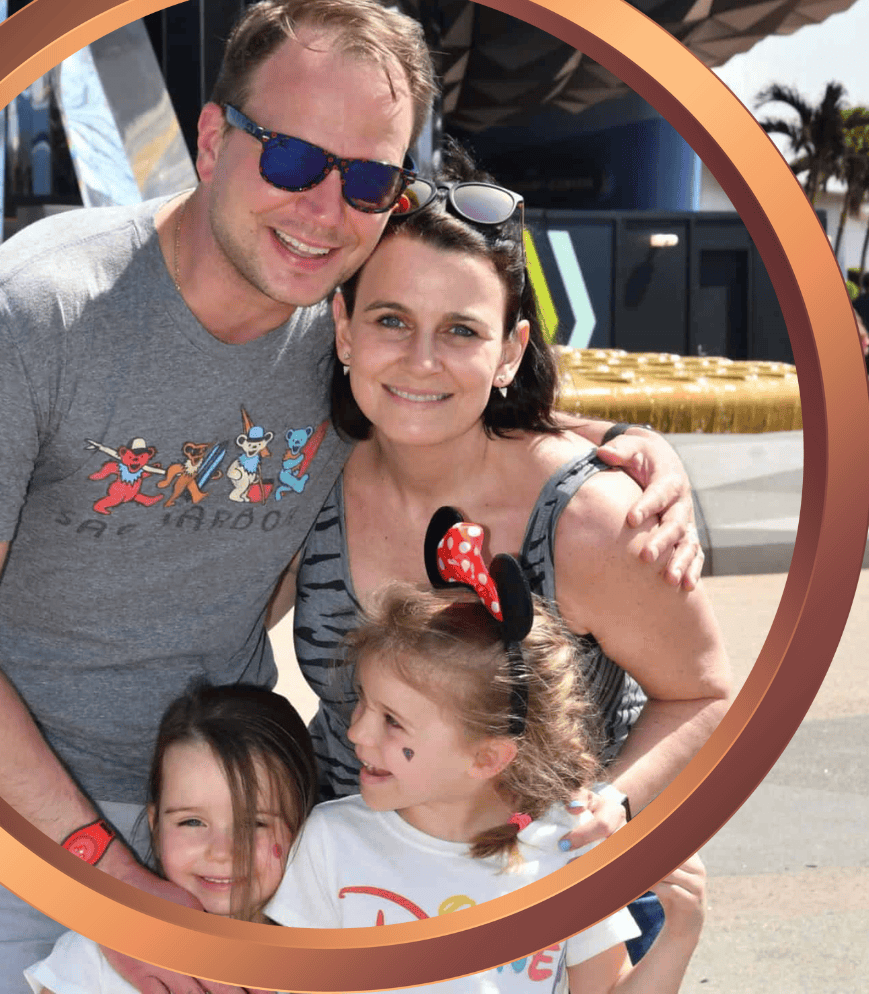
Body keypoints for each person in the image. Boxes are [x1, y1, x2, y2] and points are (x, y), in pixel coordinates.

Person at [0, 0, 703, 994]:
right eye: (297, 160)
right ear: (214, 136)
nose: (324, 212)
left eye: (368, 183)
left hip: (243, 818)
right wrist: (105, 880)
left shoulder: (341, 331)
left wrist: (622, 444)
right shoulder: (31, 317)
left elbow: (446, 400)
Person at [283, 143, 731, 959]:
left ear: (510, 351)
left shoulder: (592, 521)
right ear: (343, 328)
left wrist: (610, 810)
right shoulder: (309, 483)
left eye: (461, 330)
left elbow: (704, 695)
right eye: (391, 320)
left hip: (559, 918)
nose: (421, 360)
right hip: (355, 900)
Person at [266, 550, 708, 993]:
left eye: (392, 720)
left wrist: (680, 932)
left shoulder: (568, 848)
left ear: (487, 758)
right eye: (362, 700)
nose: (357, 731)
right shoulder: (330, 842)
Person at [25, 684, 318, 993]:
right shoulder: (95, 956)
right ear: (155, 824)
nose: (222, 852)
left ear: (303, 826)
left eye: (254, 823)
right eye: (191, 821)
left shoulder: (329, 960)